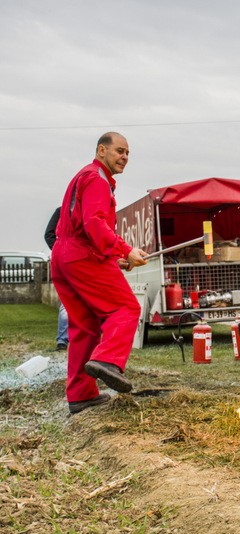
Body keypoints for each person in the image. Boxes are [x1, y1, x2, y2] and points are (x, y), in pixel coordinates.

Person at [51, 132, 148, 414]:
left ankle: (81, 395)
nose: (124, 157)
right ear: (101, 150)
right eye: (119, 151)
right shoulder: (97, 178)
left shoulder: (85, 176)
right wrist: (124, 249)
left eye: (128, 153)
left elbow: (81, 224)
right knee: (126, 307)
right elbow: (94, 224)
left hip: (64, 256)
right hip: (81, 253)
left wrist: (115, 256)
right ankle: (108, 361)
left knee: (85, 327)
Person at [44, 207, 69, 351]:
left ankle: (66, 338)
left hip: (81, 261)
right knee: (66, 302)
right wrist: (61, 251)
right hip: (66, 262)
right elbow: (49, 234)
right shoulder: (61, 211)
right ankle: (62, 339)